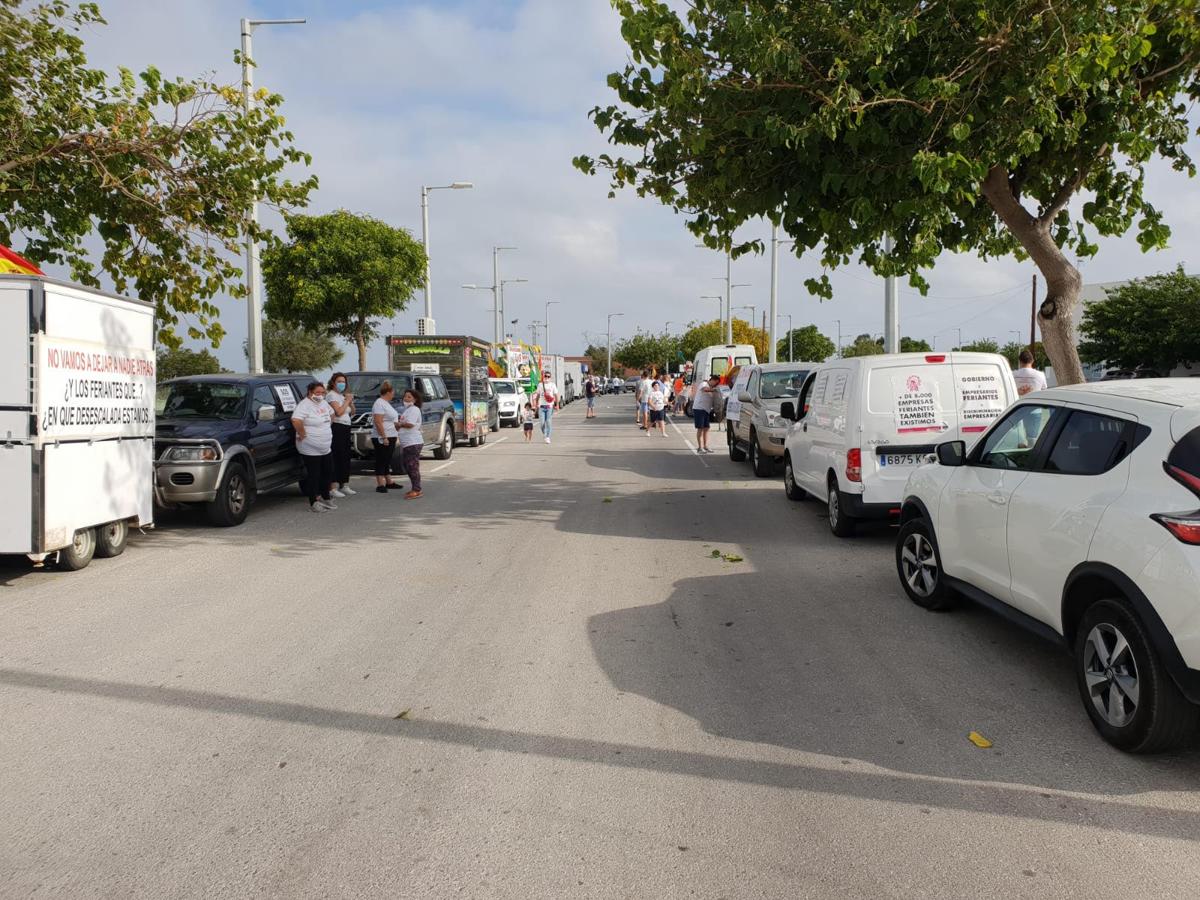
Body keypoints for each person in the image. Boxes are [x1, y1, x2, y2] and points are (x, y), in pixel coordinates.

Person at [292, 381, 336, 512]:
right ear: (310, 392)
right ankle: (313, 501)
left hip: (325, 447)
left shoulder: (323, 403)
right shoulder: (304, 405)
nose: (320, 395)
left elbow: (332, 413)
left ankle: (325, 497)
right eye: (317, 392)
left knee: (328, 471)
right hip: (310, 448)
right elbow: (296, 420)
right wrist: (302, 433)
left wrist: (326, 427)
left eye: (323, 392)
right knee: (314, 474)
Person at [326, 372, 355, 498]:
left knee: (345, 455)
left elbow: (352, 412)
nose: (342, 384)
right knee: (336, 455)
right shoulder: (331, 396)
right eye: (339, 381)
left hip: (346, 427)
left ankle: (344, 483)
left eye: (343, 382)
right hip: (336, 427)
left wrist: (350, 401)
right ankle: (333, 486)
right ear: (333, 382)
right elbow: (338, 412)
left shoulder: (342, 396)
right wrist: (346, 401)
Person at [371, 381, 401, 494]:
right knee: (381, 460)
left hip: (391, 435)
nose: (393, 395)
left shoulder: (386, 403)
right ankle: (380, 484)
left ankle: (389, 481)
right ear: (388, 392)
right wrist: (384, 437)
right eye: (393, 393)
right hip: (382, 437)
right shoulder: (379, 403)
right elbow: (378, 422)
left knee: (387, 460)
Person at [396, 388, 424, 499]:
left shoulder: (414, 409)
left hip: (413, 442)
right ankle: (415, 488)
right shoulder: (407, 410)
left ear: (415, 399)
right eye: (405, 396)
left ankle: (417, 490)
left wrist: (399, 424)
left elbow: (410, 424)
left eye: (409, 397)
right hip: (407, 443)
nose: (406, 398)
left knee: (412, 467)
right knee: (408, 466)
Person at [693, 375, 719, 453]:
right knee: (700, 428)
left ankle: (705, 446)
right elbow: (705, 389)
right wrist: (714, 390)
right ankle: (700, 447)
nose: (715, 385)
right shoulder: (704, 384)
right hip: (699, 408)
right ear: (713, 380)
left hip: (706, 410)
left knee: (706, 428)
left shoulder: (711, 389)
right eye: (716, 383)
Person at [534, 377, 558, 443]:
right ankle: (544, 433)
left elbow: (556, 395)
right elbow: (538, 395)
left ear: (550, 377)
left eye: (548, 376)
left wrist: (557, 405)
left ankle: (547, 437)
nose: (547, 378)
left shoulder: (553, 385)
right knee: (542, 423)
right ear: (543, 377)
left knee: (548, 422)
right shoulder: (540, 385)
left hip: (549, 407)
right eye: (545, 376)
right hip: (541, 407)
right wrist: (536, 404)